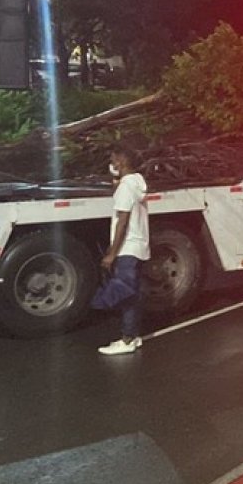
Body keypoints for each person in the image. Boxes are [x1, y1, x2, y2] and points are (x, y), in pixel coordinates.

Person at [94, 144, 150, 355]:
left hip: (127, 248)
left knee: (125, 293)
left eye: (114, 159)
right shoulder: (136, 183)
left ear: (122, 162)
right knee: (133, 293)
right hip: (138, 245)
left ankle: (126, 339)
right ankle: (133, 336)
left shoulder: (126, 188)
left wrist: (111, 254)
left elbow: (122, 223)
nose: (112, 164)